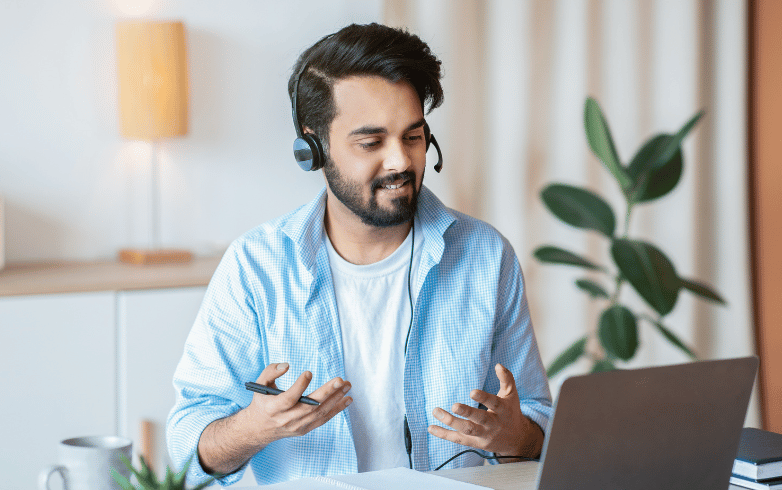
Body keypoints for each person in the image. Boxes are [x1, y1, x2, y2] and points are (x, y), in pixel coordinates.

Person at [167, 22, 553, 487]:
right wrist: (252, 428)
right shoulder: (256, 267)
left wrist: (517, 438)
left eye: (413, 137)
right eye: (371, 143)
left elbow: (537, 424)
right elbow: (186, 452)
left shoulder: (486, 257)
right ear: (312, 148)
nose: (399, 162)